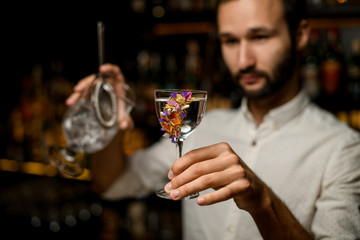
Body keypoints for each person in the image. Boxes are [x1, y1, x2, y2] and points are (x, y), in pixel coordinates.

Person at [66, 0, 360, 239]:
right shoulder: (202, 125)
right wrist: (105, 110)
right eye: (230, 41)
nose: (244, 60)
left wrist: (263, 202)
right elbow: (112, 183)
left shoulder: (344, 148)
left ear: (300, 35)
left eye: (259, 37)